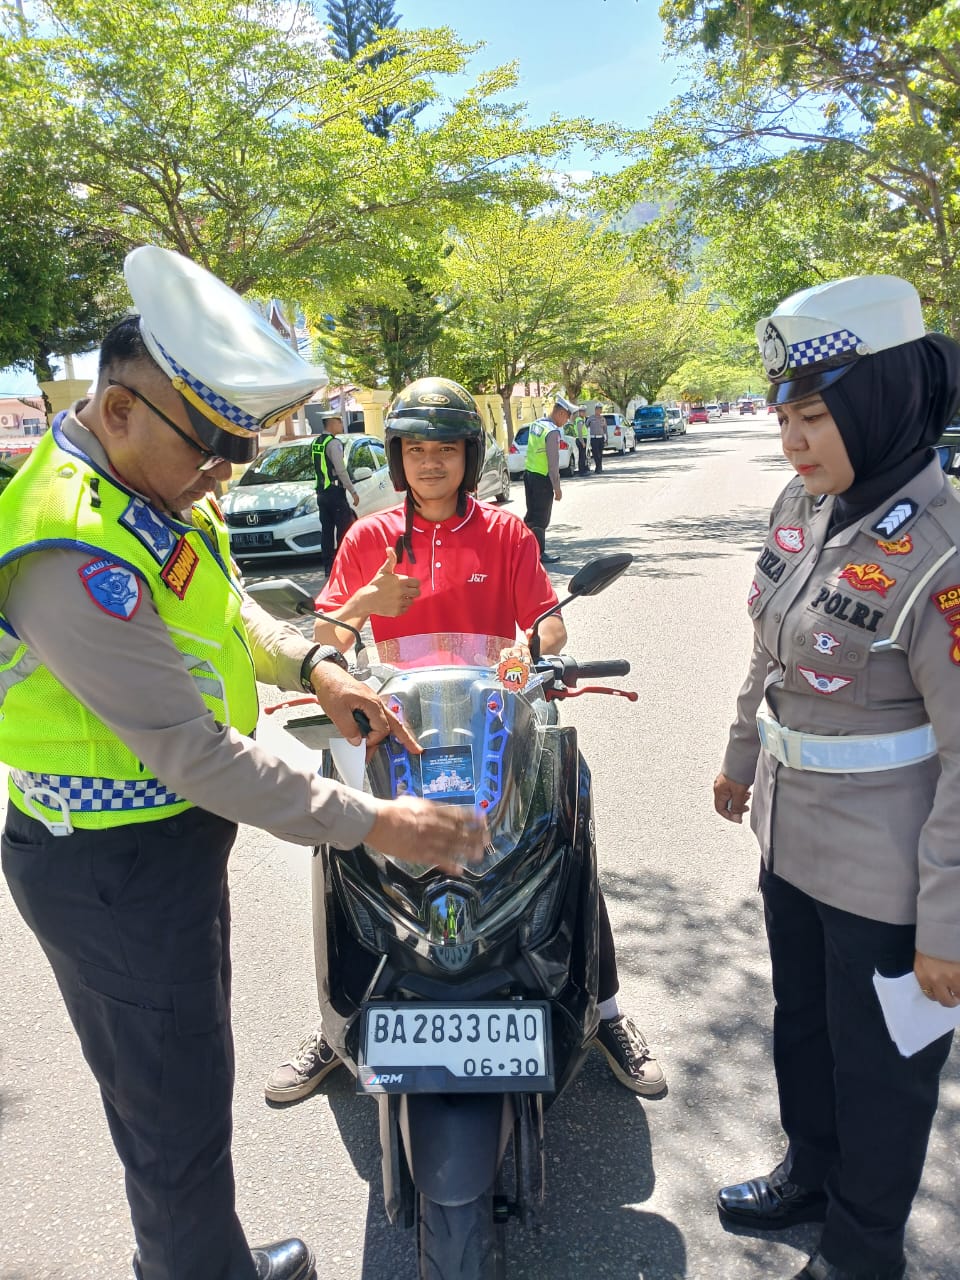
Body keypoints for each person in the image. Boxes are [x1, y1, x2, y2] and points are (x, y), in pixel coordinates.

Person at [0, 248, 487, 1280]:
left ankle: (200, 1258)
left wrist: (316, 661)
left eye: (239, 448)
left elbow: (228, 611)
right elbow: (192, 752)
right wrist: (376, 824)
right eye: (210, 445)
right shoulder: (70, 543)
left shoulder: (155, 491)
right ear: (121, 406)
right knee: (168, 1107)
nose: (224, 471)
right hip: (109, 865)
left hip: (159, 849)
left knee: (181, 1080)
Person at [264, 376, 666, 1106]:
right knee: (343, 861)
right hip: (390, 728)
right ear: (396, 460)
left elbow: (547, 618)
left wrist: (544, 651)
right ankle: (333, 1029)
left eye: (444, 449)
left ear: (469, 456)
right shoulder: (369, 538)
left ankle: (604, 1012)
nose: (429, 464)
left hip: (491, 718)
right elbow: (325, 638)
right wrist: (364, 604)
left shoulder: (505, 533)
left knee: (565, 829)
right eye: (415, 450)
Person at [712, 275, 960, 1280]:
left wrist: (947, 924)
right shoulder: (804, 506)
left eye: (812, 416)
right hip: (792, 837)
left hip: (892, 880)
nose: (792, 441)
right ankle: (809, 1172)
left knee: (886, 1069)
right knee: (804, 1029)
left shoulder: (945, 554)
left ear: (877, 402)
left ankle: (863, 1247)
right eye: (784, 418)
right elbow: (768, 651)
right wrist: (738, 760)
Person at [523, 394, 572, 563]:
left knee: (531, 514)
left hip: (529, 474)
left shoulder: (536, 425)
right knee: (541, 518)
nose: (565, 422)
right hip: (542, 478)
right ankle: (539, 553)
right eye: (566, 418)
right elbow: (553, 463)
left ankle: (525, 550)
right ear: (560, 413)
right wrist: (557, 488)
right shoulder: (552, 432)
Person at [311, 410, 359, 575]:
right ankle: (342, 562)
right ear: (331, 423)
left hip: (321, 492)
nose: (341, 424)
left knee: (327, 530)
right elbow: (341, 470)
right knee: (343, 527)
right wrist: (352, 491)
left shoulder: (317, 442)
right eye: (339, 421)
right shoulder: (333, 443)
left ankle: (328, 565)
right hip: (334, 492)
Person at [587, 402, 607, 474]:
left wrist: (606, 438)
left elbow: (605, 429)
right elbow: (586, 426)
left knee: (600, 454)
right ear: (595, 409)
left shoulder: (603, 419)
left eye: (601, 409)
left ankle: (599, 468)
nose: (599, 411)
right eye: (598, 409)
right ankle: (598, 467)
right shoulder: (591, 418)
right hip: (594, 438)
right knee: (595, 454)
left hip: (601, 438)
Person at [571, 407, 590, 475]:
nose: (584, 413)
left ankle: (583, 470)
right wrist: (582, 442)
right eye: (582, 411)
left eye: (584, 411)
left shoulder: (581, 419)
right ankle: (582, 471)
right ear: (579, 412)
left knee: (583, 455)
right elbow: (579, 432)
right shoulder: (580, 420)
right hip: (581, 439)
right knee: (582, 456)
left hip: (580, 439)